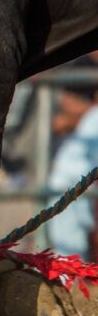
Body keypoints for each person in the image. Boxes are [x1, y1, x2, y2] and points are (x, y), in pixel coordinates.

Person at [46, 63, 98, 259]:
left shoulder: (93, 119)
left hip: (77, 201)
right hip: (72, 199)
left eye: (67, 96)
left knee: (72, 263)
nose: (63, 102)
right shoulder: (86, 123)